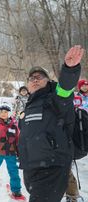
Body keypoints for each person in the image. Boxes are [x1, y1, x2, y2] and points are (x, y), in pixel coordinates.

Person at [18, 45, 84, 202]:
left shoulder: (55, 98)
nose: (35, 80)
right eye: (31, 78)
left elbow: (66, 89)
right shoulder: (28, 105)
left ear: (48, 81)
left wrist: (70, 69)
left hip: (51, 166)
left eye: (39, 77)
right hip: (30, 167)